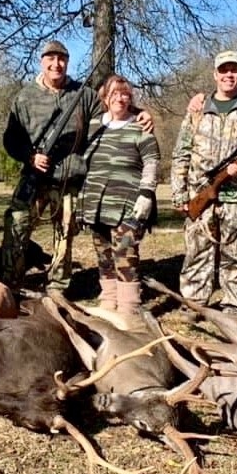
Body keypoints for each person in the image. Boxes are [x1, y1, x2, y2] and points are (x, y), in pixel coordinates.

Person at [0, 41, 152, 294]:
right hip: (33, 177)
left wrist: (140, 113)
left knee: (64, 237)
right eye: (51, 58)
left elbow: (112, 107)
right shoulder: (25, 96)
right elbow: (11, 138)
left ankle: (58, 288)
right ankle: (11, 284)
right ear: (42, 61)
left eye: (61, 59)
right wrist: (30, 157)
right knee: (17, 227)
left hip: (68, 181)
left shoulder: (84, 95)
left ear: (67, 63)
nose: (56, 64)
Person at [171, 50, 237, 318]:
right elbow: (182, 152)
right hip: (200, 193)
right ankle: (194, 304)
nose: (229, 75)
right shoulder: (198, 108)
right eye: (224, 70)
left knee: (236, 256)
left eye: (234, 70)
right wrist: (179, 193)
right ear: (215, 74)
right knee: (197, 253)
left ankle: (234, 308)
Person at [78, 74, 160, 315]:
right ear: (105, 97)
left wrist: (146, 193)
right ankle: (109, 299)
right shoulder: (93, 126)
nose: (120, 99)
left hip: (128, 204)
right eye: (115, 94)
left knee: (125, 253)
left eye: (125, 94)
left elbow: (152, 161)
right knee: (103, 255)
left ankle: (128, 307)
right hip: (96, 203)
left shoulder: (140, 127)